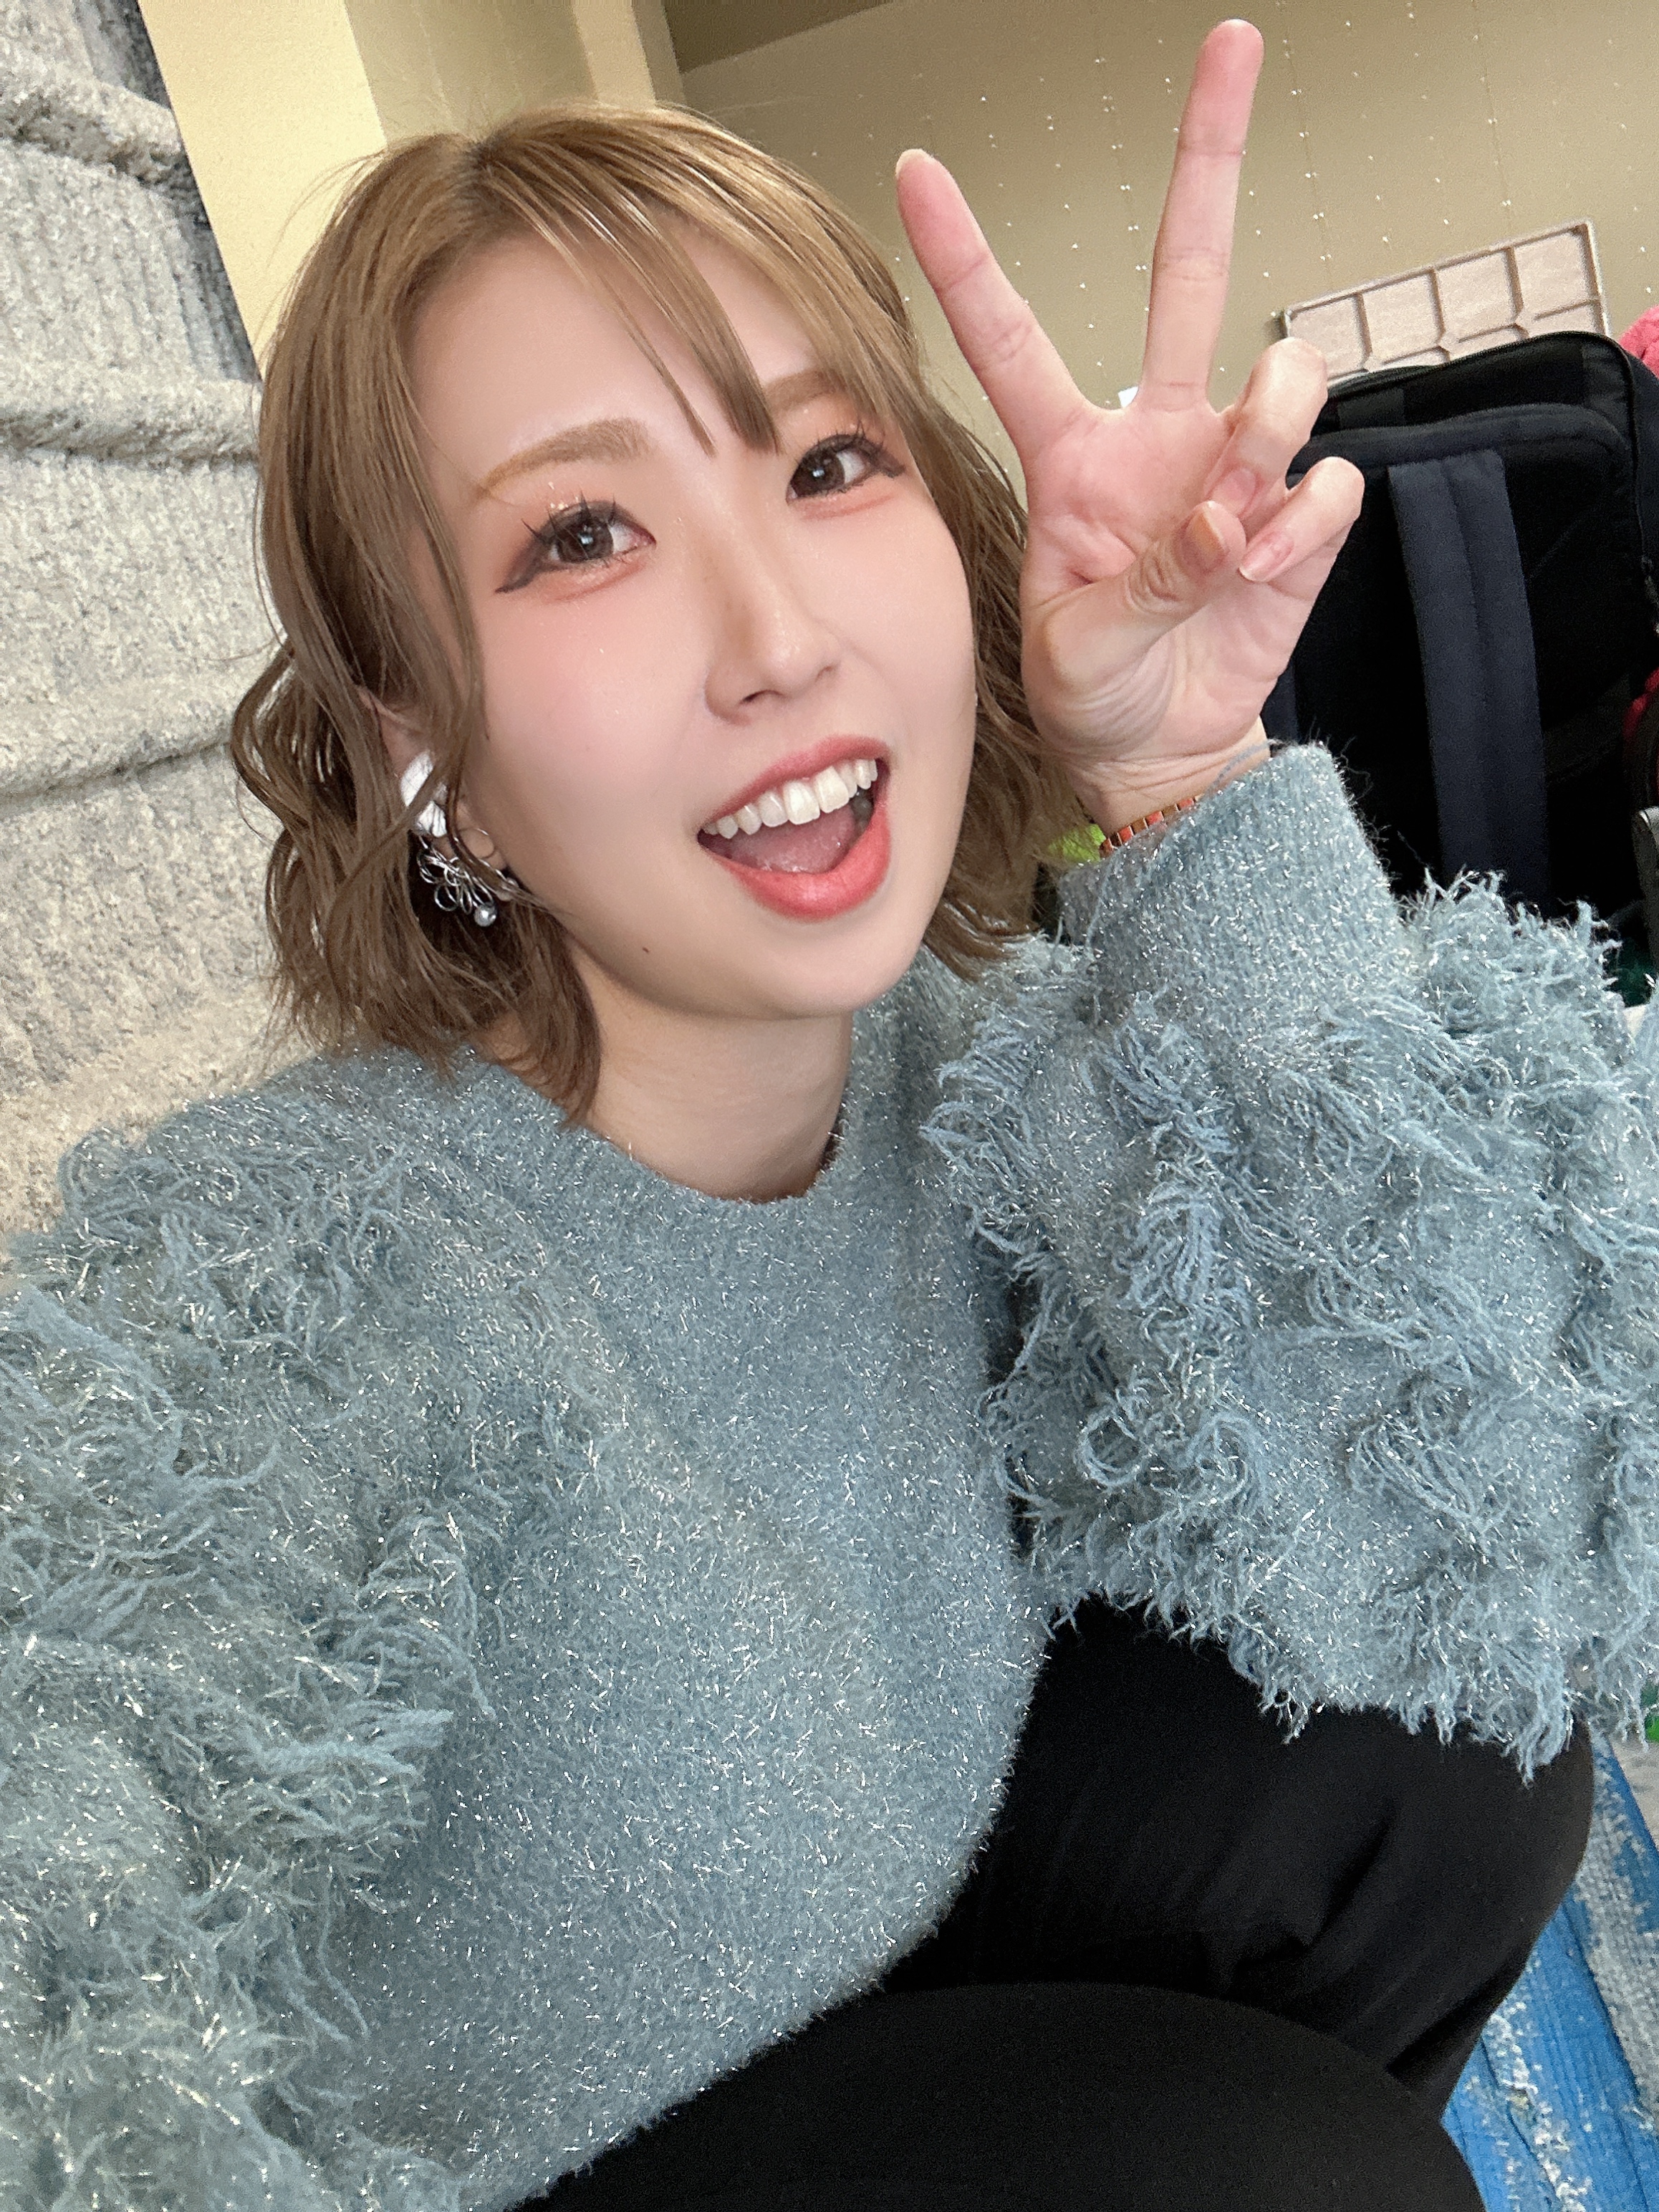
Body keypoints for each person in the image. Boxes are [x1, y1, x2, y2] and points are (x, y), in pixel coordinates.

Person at [1, 18, 1653, 2211]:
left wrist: (1183, 780)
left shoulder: (967, 1061)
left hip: (879, 1977)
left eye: (823, 463)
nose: (773, 632)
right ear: (421, 740)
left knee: (1440, 1771)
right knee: (1257, 2166)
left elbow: (1480, 1502)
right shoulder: (285, 1283)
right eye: (583, 532)